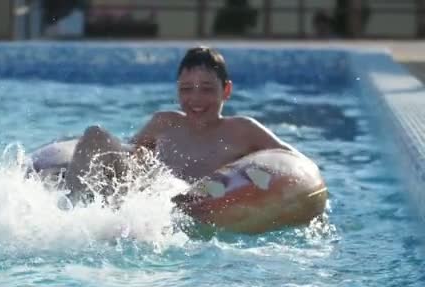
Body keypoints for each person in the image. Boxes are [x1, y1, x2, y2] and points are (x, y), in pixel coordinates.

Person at [65, 46, 300, 200]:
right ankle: (73, 213)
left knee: (172, 185)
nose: (195, 99)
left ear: (226, 90)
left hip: (190, 203)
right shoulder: (164, 122)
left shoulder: (242, 130)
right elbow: (129, 156)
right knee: (95, 133)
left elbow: (292, 163)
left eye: (207, 89)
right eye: (186, 89)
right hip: (148, 196)